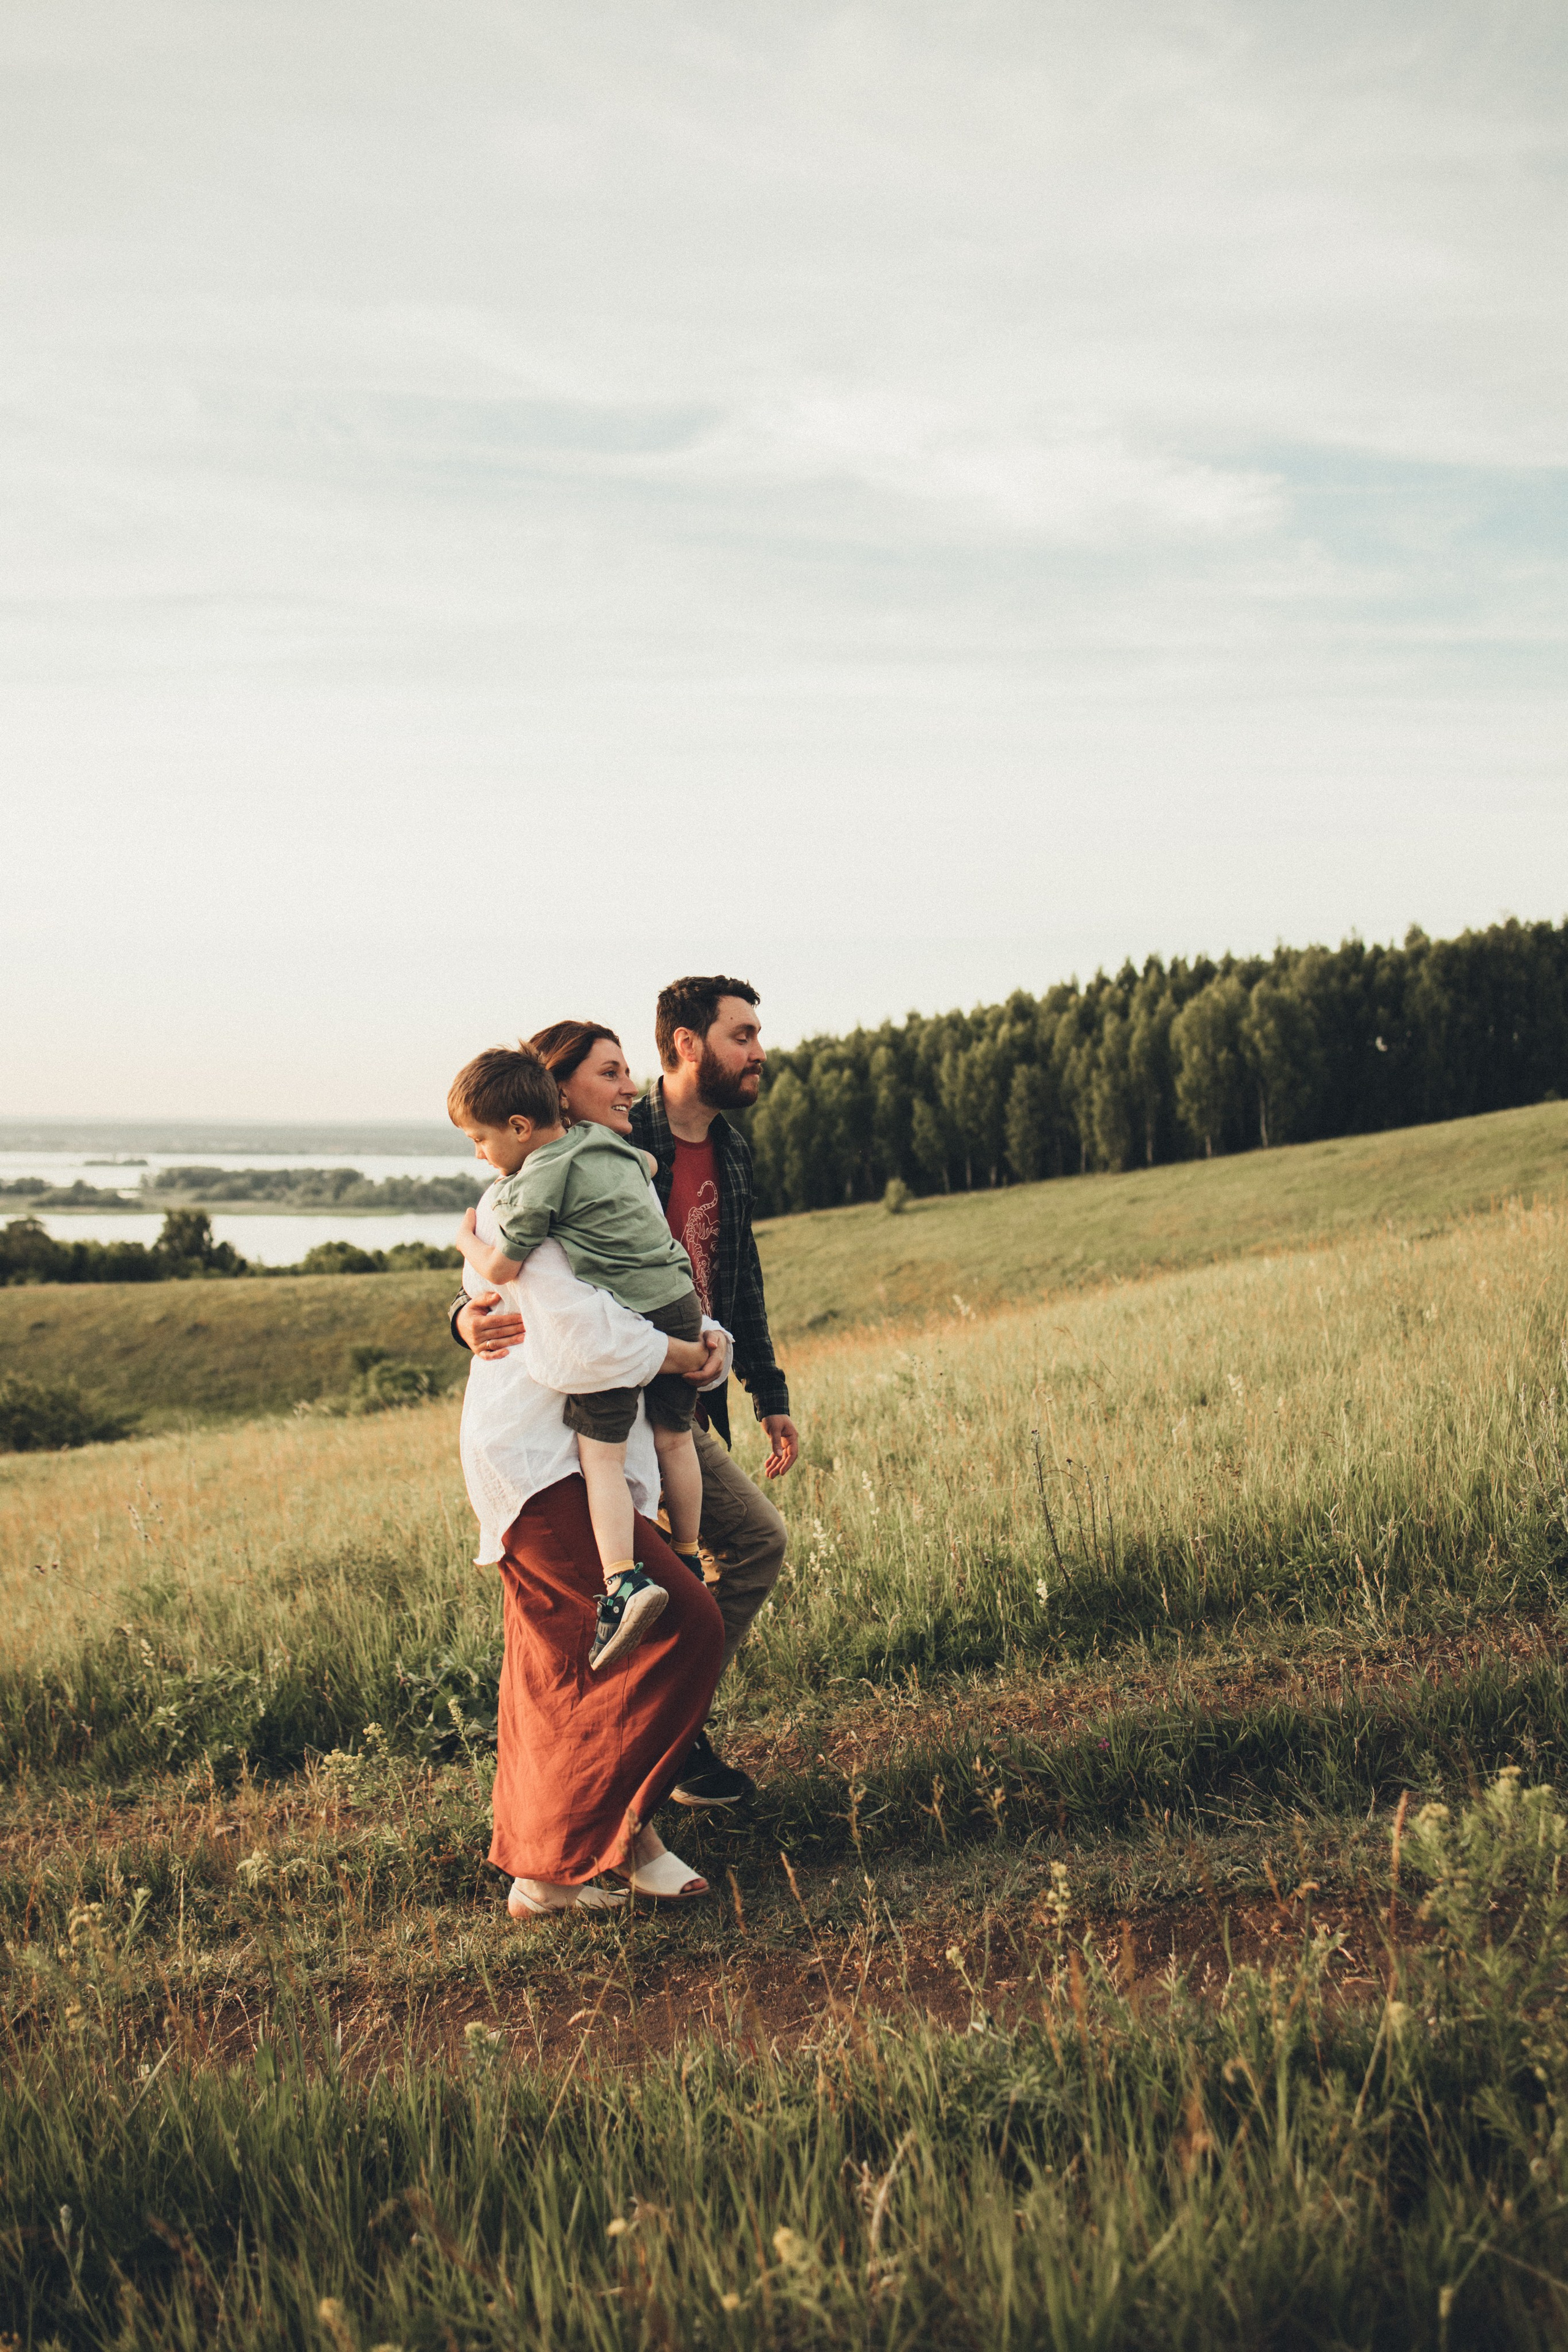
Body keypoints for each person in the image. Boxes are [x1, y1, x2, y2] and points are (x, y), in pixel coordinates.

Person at [451, 982, 797, 1809]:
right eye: (742, 1035)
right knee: (660, 1587)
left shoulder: (730, 1150)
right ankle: (653, 1754)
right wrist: (463, 1315)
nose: (758, 1052)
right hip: (608, 1400)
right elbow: (505, 1266)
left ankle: (669, 1732)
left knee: (747, 1549)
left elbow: (735, 1276)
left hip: (682, 1383)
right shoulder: (598, 1142)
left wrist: (766, 1388)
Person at [456, 1178, 728, 1912]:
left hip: (588, 1459)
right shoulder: (524, 1203)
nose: (624, 1086)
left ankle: (564, 1867)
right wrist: (681, 1355)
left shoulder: (607, 1177)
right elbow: (585, 1337)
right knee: (683, 1626)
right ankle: (594, 1848)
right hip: (540, 1462)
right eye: (606, 1071)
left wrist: (712, 1342)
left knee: (562, 1664)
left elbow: (657, 1284)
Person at [448, 1039, 713, 1672]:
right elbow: (648, 1182)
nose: (631, 1087)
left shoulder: (535, 1180)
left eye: (478, 1140)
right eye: (612, 1073)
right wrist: (695, 1343)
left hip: (632, 1352)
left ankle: (622, 1579)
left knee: (605, 1459)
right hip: (673, 1308)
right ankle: (689, 1550)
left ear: (519, 1126)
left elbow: (517, 1276)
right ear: (560, 1095)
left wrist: (460, 1237)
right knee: (676, 1444)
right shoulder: (613, 1154)